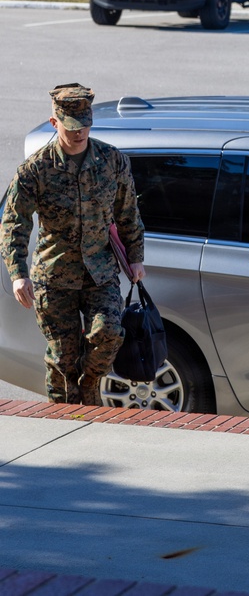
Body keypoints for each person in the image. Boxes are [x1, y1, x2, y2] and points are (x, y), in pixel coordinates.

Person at [1, 83, 145, 407]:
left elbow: (128, 214)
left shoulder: (113, 161)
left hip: (100, 271)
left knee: (109, 333)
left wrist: (136, 258)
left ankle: (90, 391)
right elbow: (14, 223)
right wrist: (18, 273)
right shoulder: (35, 170)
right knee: (63, 359)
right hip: (54, 276)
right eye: (72, 127)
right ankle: (62, 420)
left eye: (85, 126)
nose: (80, 133)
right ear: (55, 123)